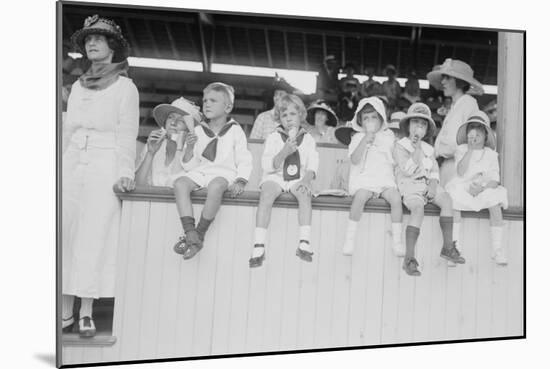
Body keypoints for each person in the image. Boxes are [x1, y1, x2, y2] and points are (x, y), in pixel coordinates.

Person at [62, 15, 139, 337]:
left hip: (105, 162)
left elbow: (126, 134)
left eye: (99, 39)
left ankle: (87, 311)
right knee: (65, 230)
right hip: (72, 161)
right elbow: (68, 130)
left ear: (112, 46)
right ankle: (65, 310)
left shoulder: (125, 87)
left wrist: (124, 172)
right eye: (88, 40)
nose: (91, 43)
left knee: (94, 234)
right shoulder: (77, 87)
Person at [172, 82, 253, 260]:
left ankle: (200, 233)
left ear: (228, 107)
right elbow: (191, 166)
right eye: (205, 100)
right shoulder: (199, 130)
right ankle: (190, 231)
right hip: (202, 172)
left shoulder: (235, 131)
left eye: (213, 100)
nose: (207, 104)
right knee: (180, 183)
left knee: (216, 186)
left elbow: (244, 158)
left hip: (225, 173)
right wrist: (189, 149)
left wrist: (240, 180)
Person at [393, 103, 465, 276]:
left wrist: (433, 185)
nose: (419, 127)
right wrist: (416, 148)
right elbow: (409, 169)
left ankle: (448, 246)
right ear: (408, 126)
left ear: (427, 130)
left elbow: (433, 170)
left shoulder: (429, 149)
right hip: (410, 183)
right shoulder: (400, 146)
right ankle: (409, 258)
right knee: (418, 209)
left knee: (447, 200)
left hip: (427, 184)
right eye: (415, 123)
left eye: (423, 124)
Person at [249, 94, 319, 267]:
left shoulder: (308, 139)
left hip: (298, 178)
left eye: (292, 114)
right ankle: (259, 244)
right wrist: (284, 151)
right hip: (276, 177)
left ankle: (304, 242)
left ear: (301, 116)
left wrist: (306, 181)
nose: (288, 119)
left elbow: (313, 165)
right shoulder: (273, 137)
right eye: (284, 115)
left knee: (304, 194)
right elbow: (267, 165)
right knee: (266, 194)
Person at [341, 97, 404, 257]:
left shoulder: (389, 136)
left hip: (384, 179)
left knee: (396, 198)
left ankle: (397, 241)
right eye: (366, 118)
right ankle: (350, 239)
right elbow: (354, 160)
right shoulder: (357, 138)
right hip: (365, 180)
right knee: (360, 197)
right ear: (360, 121)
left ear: (381, 118)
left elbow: (396, 159)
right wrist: (364, 140)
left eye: (374, 117)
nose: (370, 121)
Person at [446, 112, 508, 265]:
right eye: (471, 128)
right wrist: (470, 150)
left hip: (483, 188)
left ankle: (497, 249)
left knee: (495, 201)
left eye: (479, 128)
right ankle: (454, 248)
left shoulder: (491, 155)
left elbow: (495, 180)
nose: (475, 132)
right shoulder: (461, 149)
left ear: (486, 134)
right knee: (453, 201)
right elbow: (460, 172)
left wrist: (481, 188)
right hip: (462, 186)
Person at [427, 58, 484, 187]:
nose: (443, 82)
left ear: (459, 82)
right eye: (443, 78)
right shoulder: (455, 106)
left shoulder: (468, 103)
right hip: (446, 165)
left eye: (447, 78)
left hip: (457, 167)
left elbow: (458, 141)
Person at [135, 97, 202, 187]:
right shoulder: (154, 145)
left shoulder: (194, 152)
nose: (173, 123)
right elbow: (138, 185)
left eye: (181, 120)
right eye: (170, 117)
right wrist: (150, 153)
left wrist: (182, 147)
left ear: (190, 129)